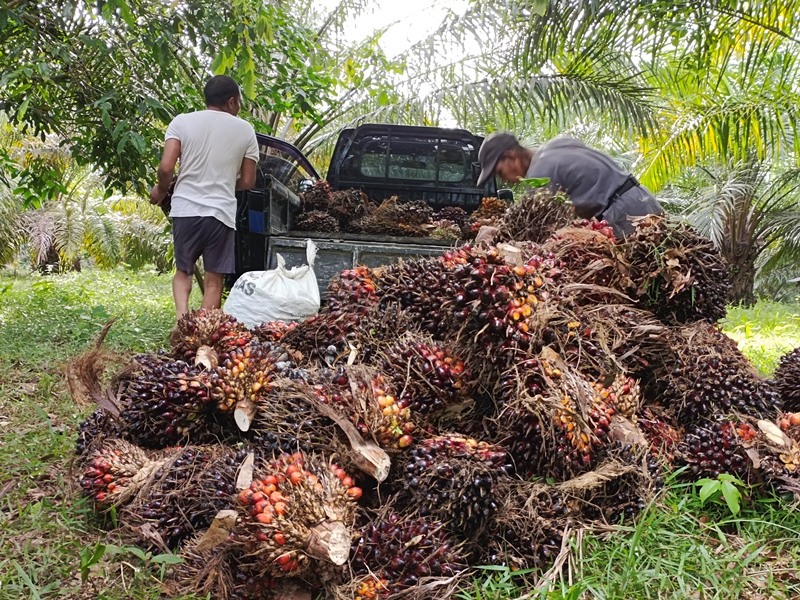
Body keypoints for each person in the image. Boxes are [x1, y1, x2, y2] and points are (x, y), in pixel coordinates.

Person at [150, 75, 259, 326]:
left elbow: (166, 167)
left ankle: (181, 319)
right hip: (220, 213)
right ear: (231, 102)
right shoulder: (244, 129)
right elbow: (248, 181)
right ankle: (198, 332)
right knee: (213, 280)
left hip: (185, 209)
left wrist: (163, 189)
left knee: (183, 271)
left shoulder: (182, 122)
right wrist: (223, 180)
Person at [476, 132, 663, 238]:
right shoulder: (556, 144)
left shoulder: (539, 174)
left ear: (511, 157)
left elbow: (541, 231)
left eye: (500, 172)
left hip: (625, 215)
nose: (504, 180)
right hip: (641, 197)